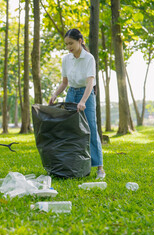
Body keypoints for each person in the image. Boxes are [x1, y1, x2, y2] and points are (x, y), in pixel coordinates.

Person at [49, 28, 105, 179]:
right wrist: (55, 94)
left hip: (86, 94)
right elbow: (65, 82)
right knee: (71, 130)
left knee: (91, 129)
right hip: (71, 93)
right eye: (66, 44)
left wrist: (83, 101)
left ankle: (100, 168)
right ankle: (74, 165)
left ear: (80, 41)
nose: (69, 47)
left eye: (71, 43)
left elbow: (90, 82)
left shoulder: (89, 58)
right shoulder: (66, 59)